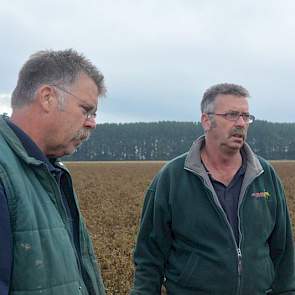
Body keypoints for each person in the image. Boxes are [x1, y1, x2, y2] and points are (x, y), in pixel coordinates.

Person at [130, 83, 295, 294]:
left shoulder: (265, 175)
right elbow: (149, 257)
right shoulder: (172, 178)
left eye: (246, 116)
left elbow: (283, 252)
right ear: (206, 121)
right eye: (232, 115)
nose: (241, 123)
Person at [0, 49, 106, 295]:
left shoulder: (52, 171)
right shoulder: (5, 174)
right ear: (47, 97)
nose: (92, 123)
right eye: (86, 109)